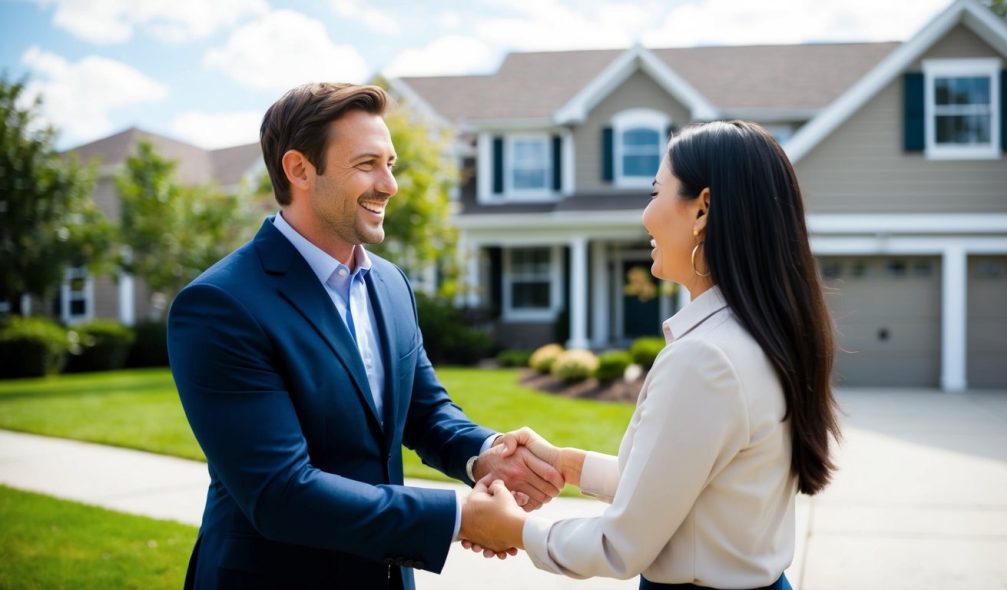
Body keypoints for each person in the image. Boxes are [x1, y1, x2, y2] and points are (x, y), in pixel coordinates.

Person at [167, 82, 563, 590]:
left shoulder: (391, 284)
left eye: (391, 163)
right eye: (366, 164)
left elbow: (427, 412)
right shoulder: (221, 305)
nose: (390, 184)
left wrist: (487, 453)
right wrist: (460, 518)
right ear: (299, 169)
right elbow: (281, 491)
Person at [458, 120, 841, 590]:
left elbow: (622, 543)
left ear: (702, 209)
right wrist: (566, 463)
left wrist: (513, 528)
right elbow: (677, 487)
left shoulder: (705, 358)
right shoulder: (756, 336)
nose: (645, 214)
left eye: (656, 192)